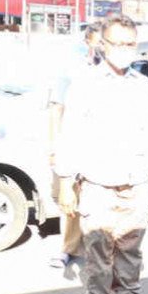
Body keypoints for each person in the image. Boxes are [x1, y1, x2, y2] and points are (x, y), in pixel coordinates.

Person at [55, 15, 148, 294]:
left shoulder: (144, 86)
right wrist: (65, 182)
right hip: (97, 183)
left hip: (137, 181)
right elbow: (70, 134)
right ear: (103, 45)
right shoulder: (86, 85)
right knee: (98, 251)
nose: (125, 50)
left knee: (131, 250)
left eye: (131, 44)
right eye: (119, 43)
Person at [48, 20, 102, 269]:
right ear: (88, 41)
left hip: (102, 145)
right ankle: (68, 248)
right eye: (99, 40)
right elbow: (56, 109)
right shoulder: (71, 70)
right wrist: (54, 146)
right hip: (74, 143)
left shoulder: (117, 73)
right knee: (70, 198)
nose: (103, 46)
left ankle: (96, 250)